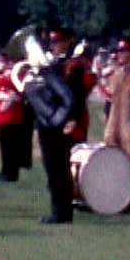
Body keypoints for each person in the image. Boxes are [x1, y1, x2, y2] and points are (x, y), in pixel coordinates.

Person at [36, 28, 84, 224]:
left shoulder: (72, 65)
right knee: (50, 166)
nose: (55, 46)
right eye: (53, 43)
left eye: (59, 42)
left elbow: (77, 96)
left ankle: (63, 212)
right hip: (46, 119)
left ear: (67, 42)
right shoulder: (49, 64)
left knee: (60, 167)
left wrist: (73, 119)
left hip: (62, 120)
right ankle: (57, 209)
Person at [102, 37, 130, 212]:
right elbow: (108, 95)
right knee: (113, 156)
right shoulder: (116, 74)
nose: (120, 55)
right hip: (114, 120)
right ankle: (117, 197)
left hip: (128, 120)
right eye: (119, 51)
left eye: (124, 52)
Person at [0, 50, 27, 182]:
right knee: (4, 143)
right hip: (4, 113)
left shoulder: (17, 73)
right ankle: (5, 170)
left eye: (3, 60)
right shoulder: (4, 74)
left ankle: (11, 173)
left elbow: (17, 87)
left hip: (12, 113)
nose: (1, 62)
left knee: (10, 145)